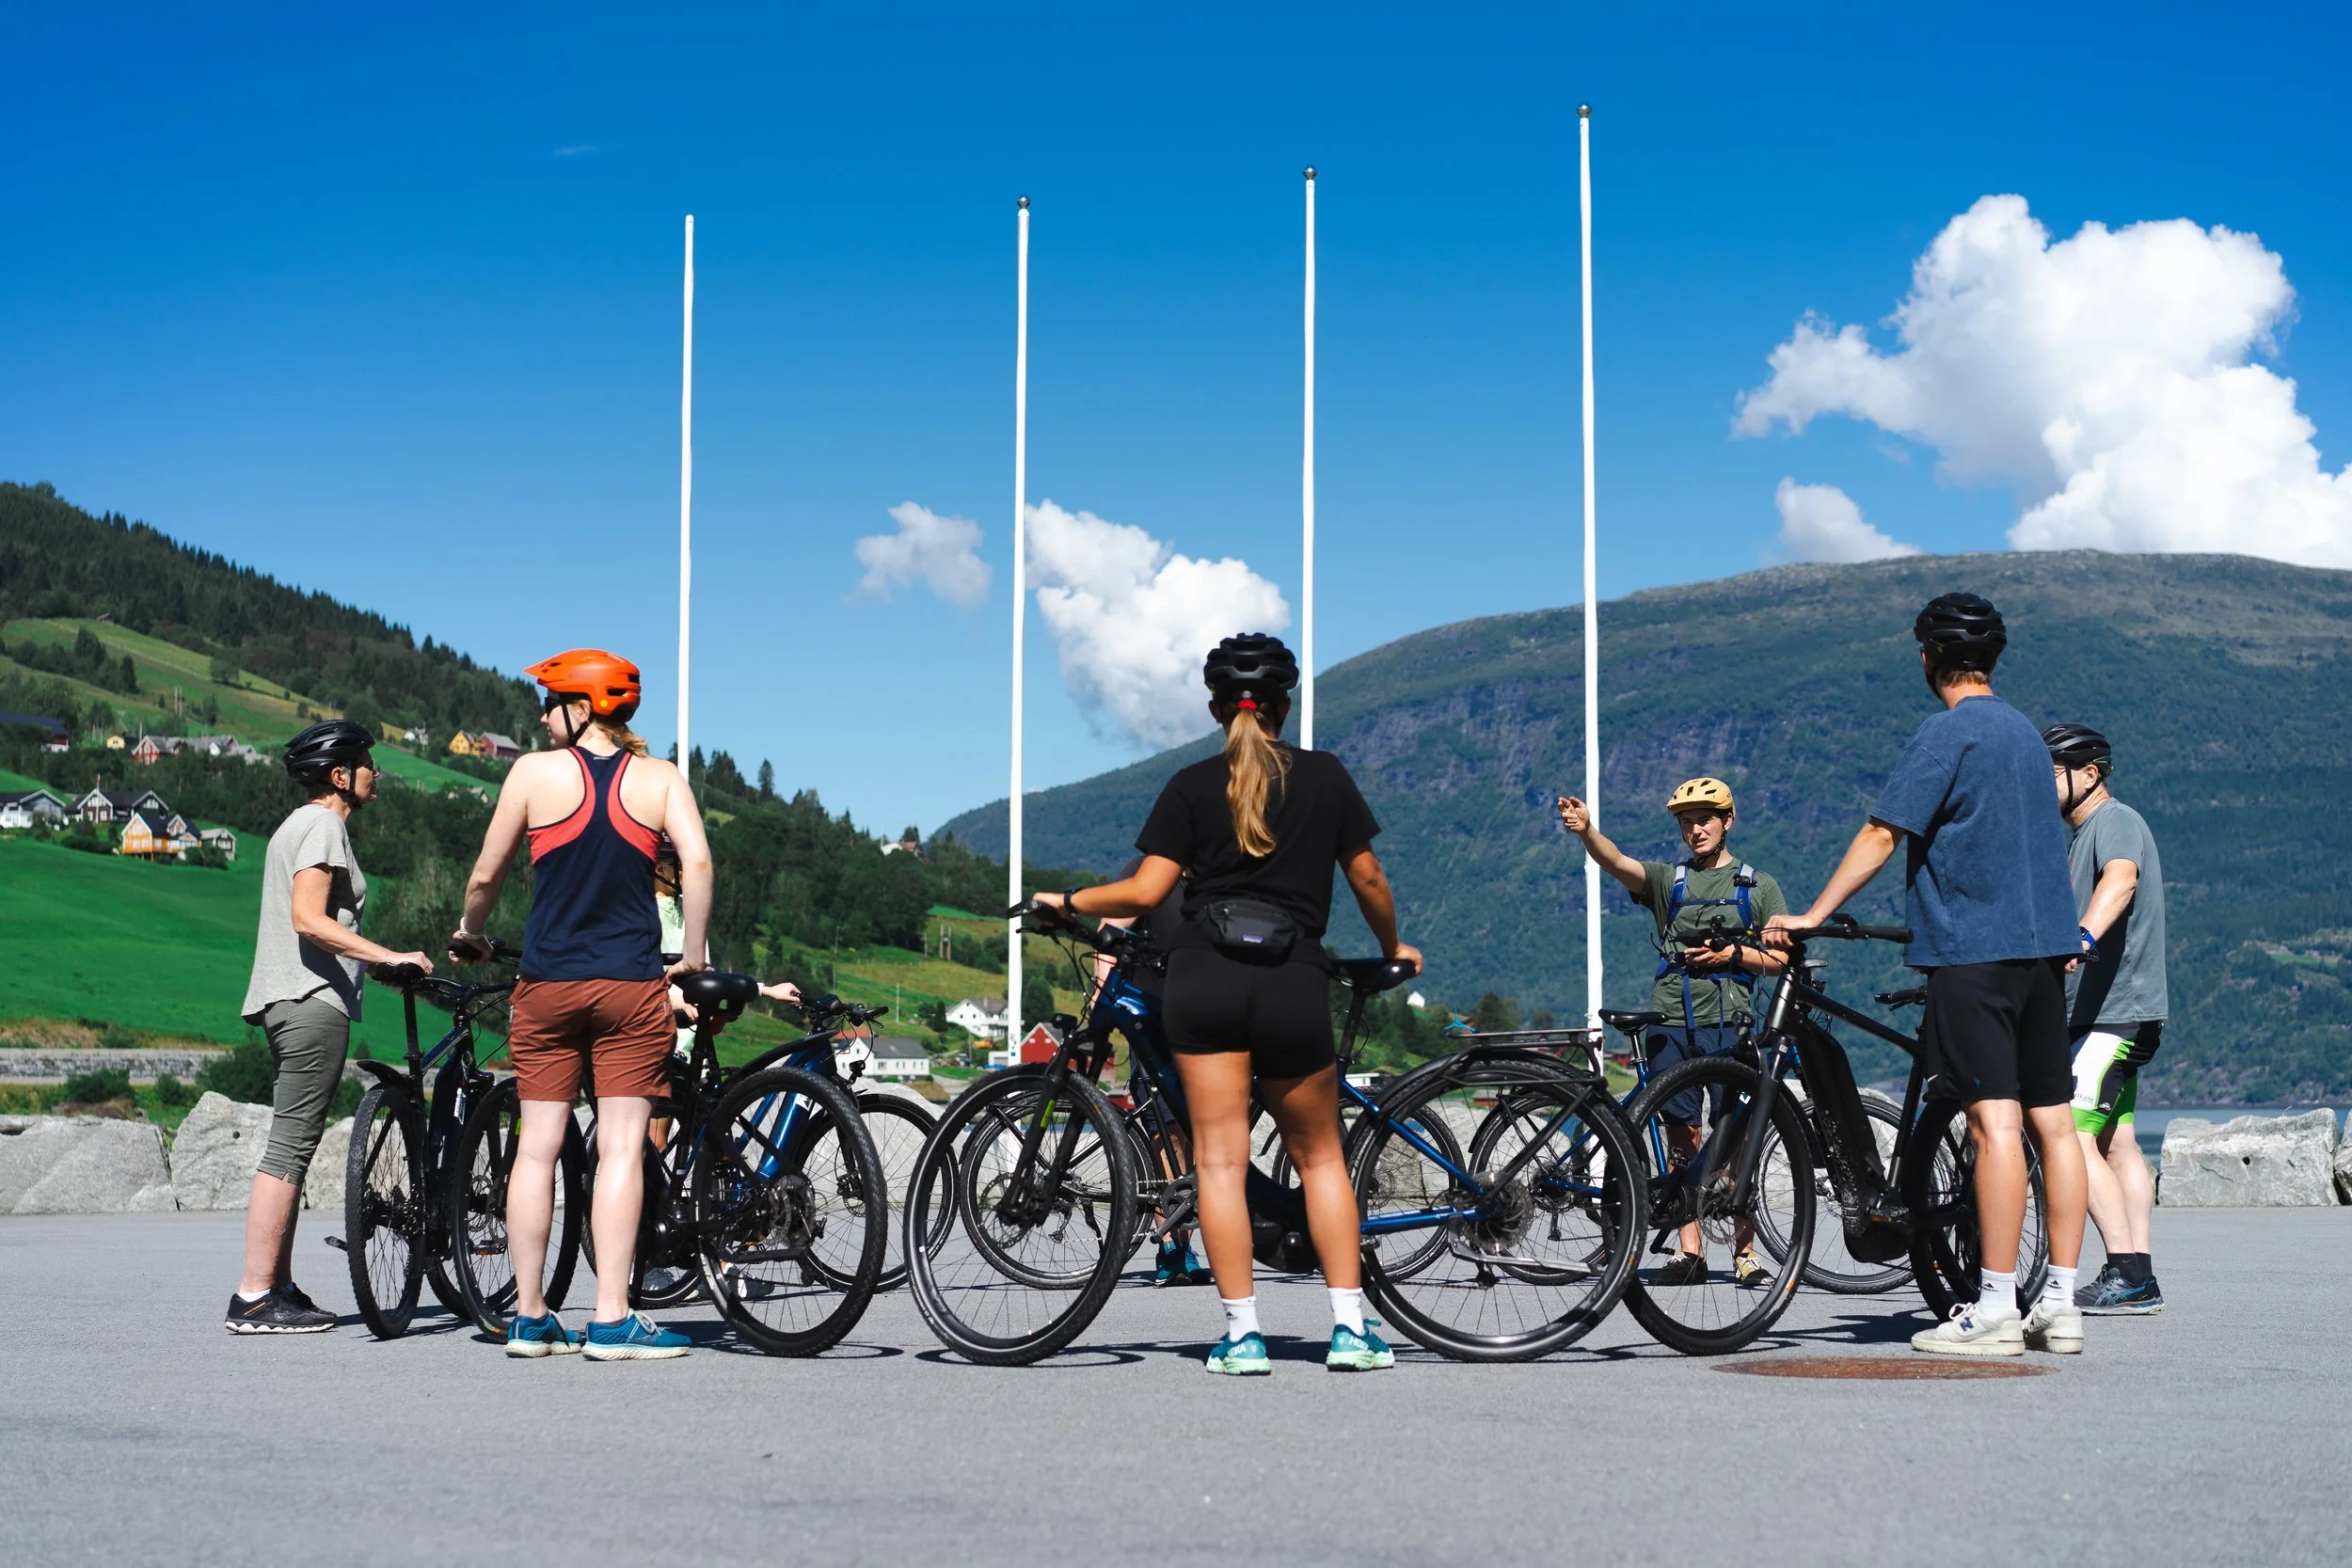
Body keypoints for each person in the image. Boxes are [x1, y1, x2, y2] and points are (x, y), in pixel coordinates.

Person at [1034, 633, 1422, 1374]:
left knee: (1216, 1160)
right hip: (1291, 982)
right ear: (1286, 704)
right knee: (1320, 1160)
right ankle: (1349, 1330)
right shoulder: (1326, 777)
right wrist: (1395, 944)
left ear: (1217, 708)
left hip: (1204, 981)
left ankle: (1242, 1336)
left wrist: (1068, 899)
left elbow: (1146, 893)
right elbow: (1369, 877)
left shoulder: (1188, 785)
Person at [1763, 593, 2090, 1357]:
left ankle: (1996, 1305)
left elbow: (1883, 831)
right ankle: (2063, 1302)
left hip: (1973, 952)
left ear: (1927, 658)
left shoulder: (1948, 733)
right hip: (2044, 954)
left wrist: (1814, 910)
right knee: (2054, 1121)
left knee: (1994, 1122)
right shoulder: (2022, 735)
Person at [450, 648, 713, 1361]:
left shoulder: (532, 773)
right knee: (622, 1147)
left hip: (547, 985)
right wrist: (690, 953)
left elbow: (485, 873)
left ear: (585, 705)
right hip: (631, 986)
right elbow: (696, 861)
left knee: (536, 1148)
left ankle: (531, 1317)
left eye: (551, 700)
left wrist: (471, 933)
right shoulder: (659, 780)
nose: (541, 715)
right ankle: (611, 1318)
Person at [228, 720, 434, 1334]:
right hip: (311, 1001)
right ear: (340, 774)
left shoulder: (299, 826)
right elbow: (308, 918)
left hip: (292, 1000)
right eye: (368, 763)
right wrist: (386, 955)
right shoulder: (321, 824)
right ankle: (255, 1294)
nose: (378, 774)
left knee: (293, 1141)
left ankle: (278, 1285)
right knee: (289, 1145)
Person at [1556, 778, 1788, 1285]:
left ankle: (1746, 1254)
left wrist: (1732, 954)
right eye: (1686, 822)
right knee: (1682, 1134)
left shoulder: (1758, 886)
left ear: (1727, 821)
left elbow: (1782, 958)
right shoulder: (1670, 881)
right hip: (1669, 1021)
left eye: (1704, 819)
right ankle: (1691, 1253)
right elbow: (1618, 863)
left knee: (1734, 1133)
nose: (1695, 829)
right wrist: (1587, 831)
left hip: (1730, 1021)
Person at [2046, 722, 2169, 1314]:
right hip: (2116, 1014)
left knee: (2069, 1134)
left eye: (2053, 772)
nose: (2043, 783)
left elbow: (2122, 879)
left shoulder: (2113, 821)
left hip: (2112, 1016)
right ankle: (2138, 1270)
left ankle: (2126, 1272)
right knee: (2118, 1143)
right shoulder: (2077, 836)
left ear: (2087, 774)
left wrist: (2084, 935)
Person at [1091, 853, 1215, 1287]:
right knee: (1167, 1133)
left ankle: (1189, 1236)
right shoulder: (1149, 869)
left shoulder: (1217, 873)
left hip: (1207, 1022)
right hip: (1154, 1017)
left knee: (1199, 1131)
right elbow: (1112, 927)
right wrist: (1102, 991)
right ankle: (1173, 1247)